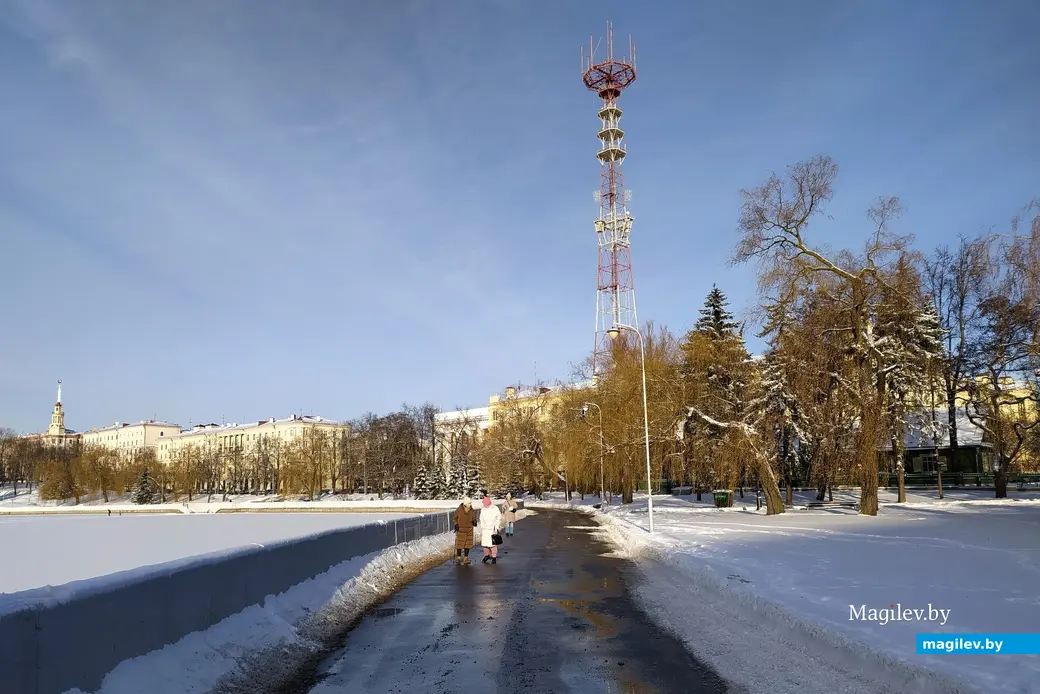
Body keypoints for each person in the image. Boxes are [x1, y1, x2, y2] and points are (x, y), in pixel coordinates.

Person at [476, 495, 503, 564]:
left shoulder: (495, 508)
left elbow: (499, 517)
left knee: (493, 544)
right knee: (485, 544)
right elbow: (481, 518)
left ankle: (494, 557)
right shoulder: (483, 509)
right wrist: (482, 525)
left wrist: (496, 525)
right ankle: (486, 555)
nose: (484, 505)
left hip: (492, 529)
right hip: (485, 529)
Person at [453, 497, 477, 565]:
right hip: (460, 529)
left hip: (469, 529)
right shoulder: (459, 510)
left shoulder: (472, 511)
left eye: (470, 503)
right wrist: (456, 524)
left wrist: (474, 521)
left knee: (467, 545)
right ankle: (458, 558)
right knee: (459, 545)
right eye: (469, 503)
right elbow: (455, 518)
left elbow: (474, 518)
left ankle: (466, 558)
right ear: (465, 503)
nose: (470, 504)